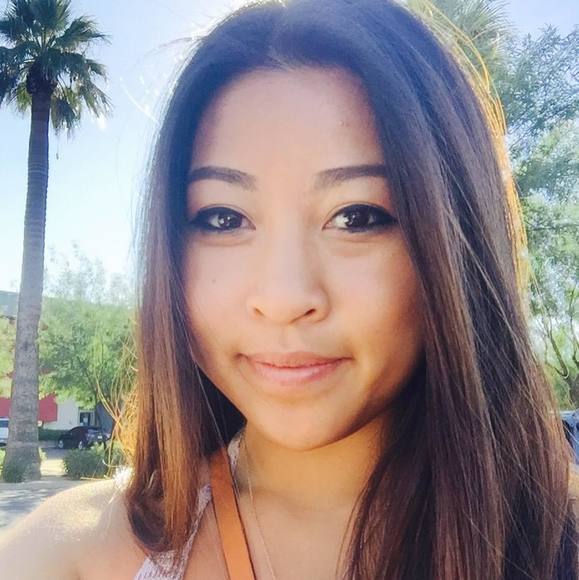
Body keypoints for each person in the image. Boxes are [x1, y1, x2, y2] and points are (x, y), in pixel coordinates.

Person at [1, 0, 577, 578]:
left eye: (356, 217)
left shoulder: (559, 537)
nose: (282, 298)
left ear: (455, 243)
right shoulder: (74, 556)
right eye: (224, 218)